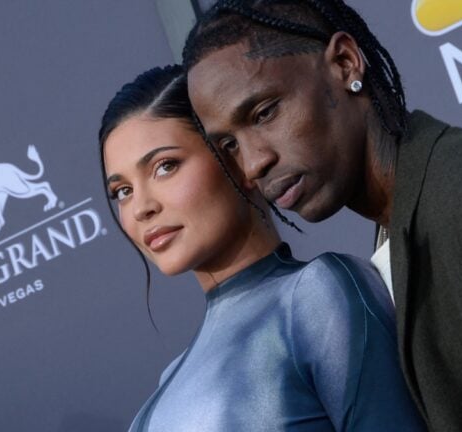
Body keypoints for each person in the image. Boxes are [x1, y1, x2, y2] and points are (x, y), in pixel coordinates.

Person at [181, 1, 462, 431]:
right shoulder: (396, 227)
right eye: (229, 146)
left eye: (264, 113)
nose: (253, 162)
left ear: (344, 63)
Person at [98, 65, 426, 431]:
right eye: (122, 192)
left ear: (236, 159)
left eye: (165, 166)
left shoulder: (315, 296)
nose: (141, 207)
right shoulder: (168, 383)